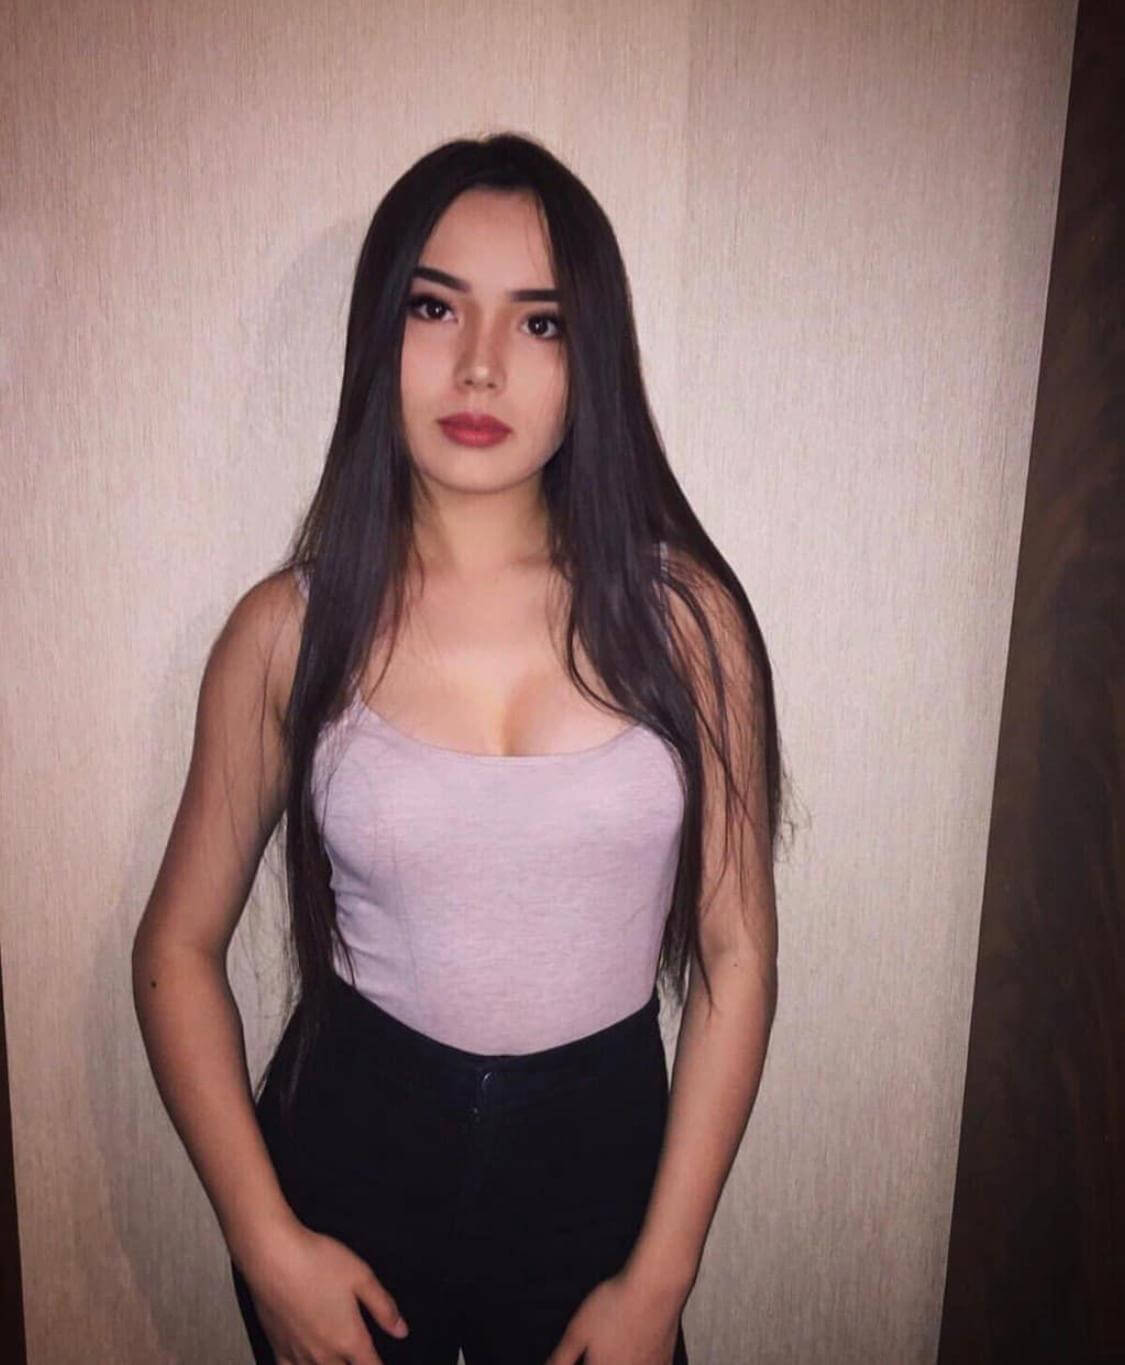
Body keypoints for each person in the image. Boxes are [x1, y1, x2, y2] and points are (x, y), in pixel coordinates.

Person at [132, 131, 785, 1365]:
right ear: (380, 332)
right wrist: (268, 1246)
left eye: (539, 323)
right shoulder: (287, 631)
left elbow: (737, 953)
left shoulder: (687, 624)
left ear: (591, 359)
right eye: (436, 307)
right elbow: (174, 947)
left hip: (599, 1180)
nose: (481, 364)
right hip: (352, 1171)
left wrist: (660, 1282)